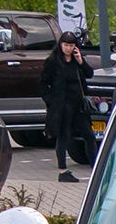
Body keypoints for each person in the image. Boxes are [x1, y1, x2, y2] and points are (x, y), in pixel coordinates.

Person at [40, 30, 96, 183]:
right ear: (60, 45)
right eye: (66, 45)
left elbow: (89, 74)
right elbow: (43, 83)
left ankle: (95, 168)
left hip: (78, 105)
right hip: (62, 105)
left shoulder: (76, 61)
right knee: (64, 136)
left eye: (72, 45)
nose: (69, 48)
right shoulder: (53, 61)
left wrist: (80, 61)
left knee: (89, 136)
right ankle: (63, 171)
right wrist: (50, 101)